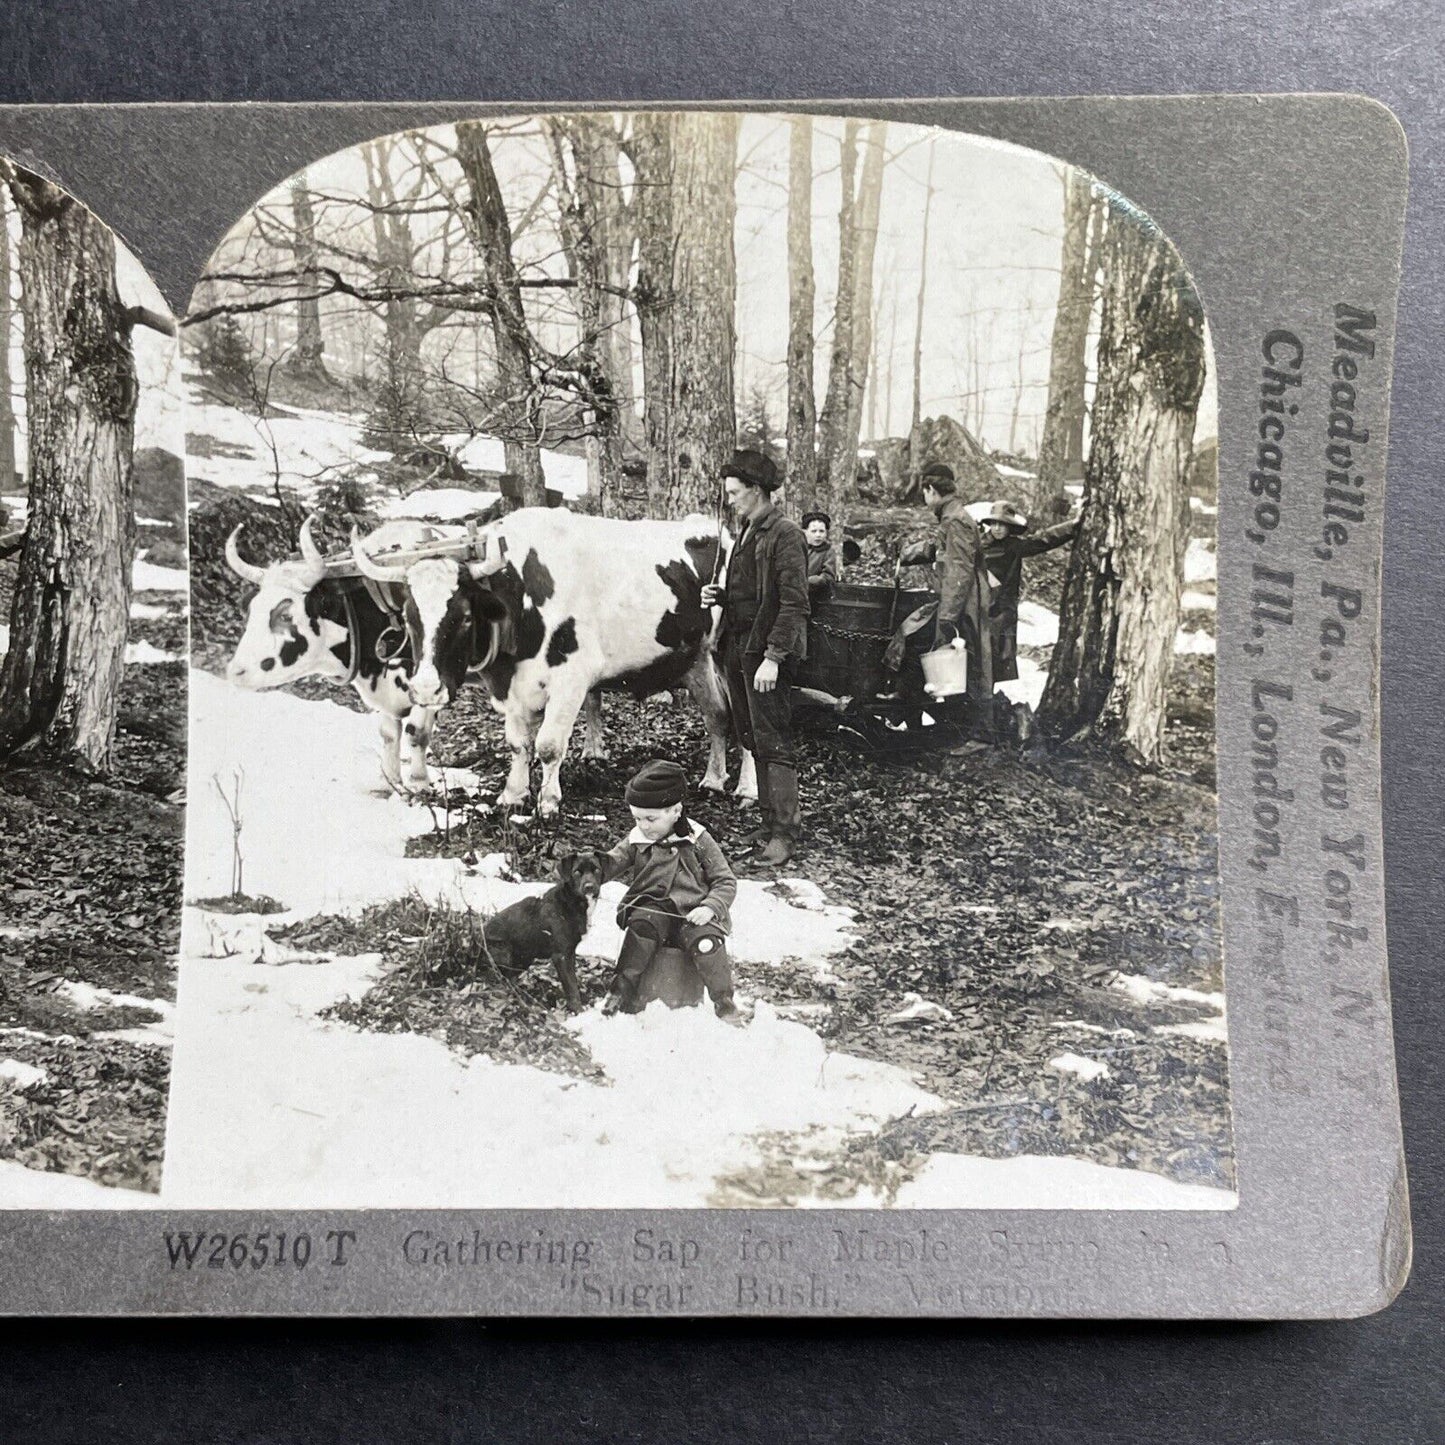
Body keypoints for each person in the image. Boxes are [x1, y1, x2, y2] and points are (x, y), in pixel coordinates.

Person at [700, 448, 810, 867]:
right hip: (739, 647)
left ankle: (784, 834)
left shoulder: (785, 535)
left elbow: (794, 603)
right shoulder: (747, 531)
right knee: (751, 736)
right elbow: (752, 594)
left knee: (773, 739)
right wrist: (722, 597)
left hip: (764, 654)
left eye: (735, 492)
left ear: (757, 490)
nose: (730, 500)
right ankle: (768, 823)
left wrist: (775, 657)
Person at [602, 759, 742, 1023]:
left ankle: (724, 1003)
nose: (643, 825)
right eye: (637, 818)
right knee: (642, 927)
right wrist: (587, 871)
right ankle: (621, 991)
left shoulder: (697, 840)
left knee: (707, 943)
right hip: (653, 907)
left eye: (651, 819)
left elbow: (725, 880)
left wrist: (709, 907)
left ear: (676, 811)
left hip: (694, 913)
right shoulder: (638, 838)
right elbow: (610, 863)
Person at [882, 462, 994, 706]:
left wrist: (947, 617)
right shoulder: (951, 516)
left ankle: (977, 734)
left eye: (924, 492)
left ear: (932, 490)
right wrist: (909, 553)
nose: (924, 497)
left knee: (966, 665)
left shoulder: (955, 520)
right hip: (957, 599)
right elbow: (941, 549)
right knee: (916, 636)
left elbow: (959, 571)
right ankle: (908, 699)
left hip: (965, 603)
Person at [979, 499, 1079, 684]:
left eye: (1003, 524)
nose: (997, 528)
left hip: (1002, 610)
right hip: (978, 607)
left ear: (1010, 527)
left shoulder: (1014, 547)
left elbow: (1043, 540)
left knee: (996, 658)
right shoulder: (977, 545)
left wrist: (1072, 526)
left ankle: (988, 701)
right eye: (994, 523)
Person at [801, 511, 839, 600]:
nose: (818, 535)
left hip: (815, 595)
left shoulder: (828, 551)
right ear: (805, 532)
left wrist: (808, 581)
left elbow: (828, 576)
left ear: (826, 533)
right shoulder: (797, 548)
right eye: (813, 531)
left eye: (821, 531)